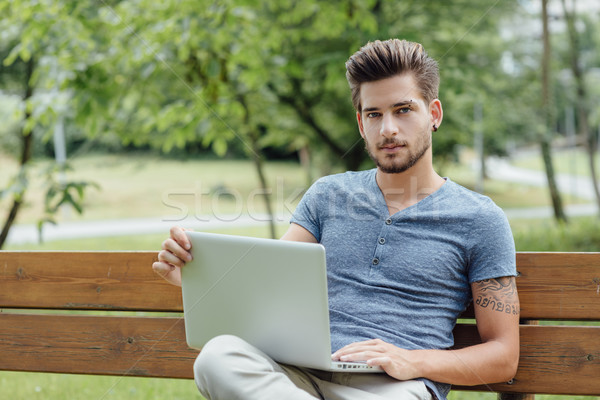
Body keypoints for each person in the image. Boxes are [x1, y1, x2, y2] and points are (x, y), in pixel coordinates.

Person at [152, 39, 520, 400]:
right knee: (217, 357)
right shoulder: (328, 195)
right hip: (297, 375)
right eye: (374, 114)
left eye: (403, 110)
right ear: (361, 124)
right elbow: (268, 285)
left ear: (434, 114)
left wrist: (411, 360)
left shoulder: (479, 219)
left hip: (395, 387)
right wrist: (195, 278)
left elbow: (503, 357)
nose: (388, 128)